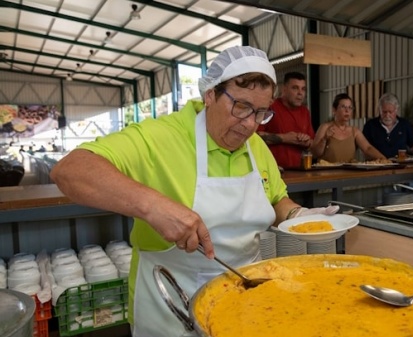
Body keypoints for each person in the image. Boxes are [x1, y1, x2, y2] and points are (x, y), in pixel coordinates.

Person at [49, 46, 338, 336]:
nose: (250, 124)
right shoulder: (161, 137)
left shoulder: (256, 147)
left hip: (243, 298)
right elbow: (70, 170)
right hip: (171, 305)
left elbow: (276, 199)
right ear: (210, 94)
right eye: (241, 106)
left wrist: (300, 216)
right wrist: (153, 205)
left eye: (261, 113)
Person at [256, 72, 315, 169]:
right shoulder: (269, 107)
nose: (300, 93)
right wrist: (285, 138)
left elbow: (312, 143)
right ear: (284, 89)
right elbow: (254, 137)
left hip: (299, 171)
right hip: (272, 171)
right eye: (295, 88)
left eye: (303, 89)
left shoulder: (305, 112)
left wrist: (305, 140)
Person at [311, 93, 387, 163]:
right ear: (334, 110)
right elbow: (315, 153)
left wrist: (384, 159)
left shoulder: (355, 131)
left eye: (350, 107)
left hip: (349, 175)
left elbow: (367, 148)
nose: (347, 111)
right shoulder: (325, 127)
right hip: (328, 174)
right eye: (343, 107)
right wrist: (324, 139)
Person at [362, 93, 413, 158]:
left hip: (400, 165)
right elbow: (365, 148)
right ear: (379, 110)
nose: (387, 115)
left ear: (396, 110)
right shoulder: (370, 126)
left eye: (390, 112)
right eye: (384, 112)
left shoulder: (405, 125)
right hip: (376, 165)